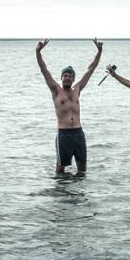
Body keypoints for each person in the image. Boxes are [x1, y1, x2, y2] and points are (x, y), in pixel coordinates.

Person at [36, 38, 102, 174]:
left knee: (82, 168)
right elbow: (44, 70)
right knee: (60, 169)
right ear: (61, 78)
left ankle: (78, 194)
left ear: (73, 78)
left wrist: (99, 51)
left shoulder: (77, 89)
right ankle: (62, 193)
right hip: (63, 134)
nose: (67, 78)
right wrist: (38, 52)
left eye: (70, 76)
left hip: (78, 133)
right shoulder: (55, 90)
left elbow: (91, 69)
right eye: (65, 75)